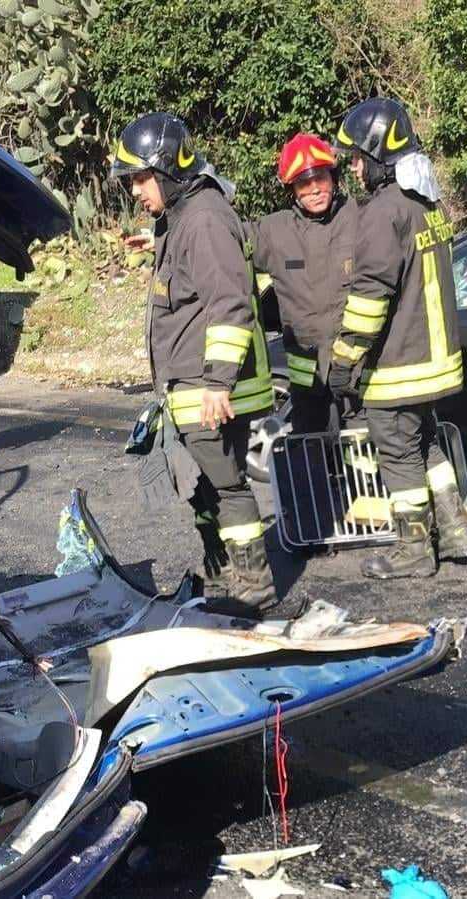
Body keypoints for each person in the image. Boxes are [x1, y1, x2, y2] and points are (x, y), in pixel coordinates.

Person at [111, 112, 277, 615]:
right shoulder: (181, 218)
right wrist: (156, 243)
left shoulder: (203, 217)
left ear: (168, 169)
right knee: (202, 488)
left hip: (212, 390)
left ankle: (256, 587)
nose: (136, 191)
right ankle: (225, 577)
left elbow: (230, 303)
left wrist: (217, 383)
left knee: (226, 487)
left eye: (141, 178)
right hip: (191, 389)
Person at [330, 97, 467, 579]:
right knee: (426, 443)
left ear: (376, 152)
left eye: (356, 157)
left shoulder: (382, 211)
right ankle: (455, 530)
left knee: (397, 454)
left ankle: (413, 549)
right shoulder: (427, 203)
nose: (352, 167)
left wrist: (343, 360)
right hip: (435, 360)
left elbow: (370, 297)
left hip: (398, 364)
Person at [246, 134, 358, 434]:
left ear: (333, 177)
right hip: (306, 382)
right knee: (312, 457)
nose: (315, 190)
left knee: (363, 456)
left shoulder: (361, 218)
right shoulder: (274, 232)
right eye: (303, 184)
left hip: (356, 372)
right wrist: (166, 240)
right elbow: (219, 239)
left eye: (320, 178)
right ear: (292, 190)